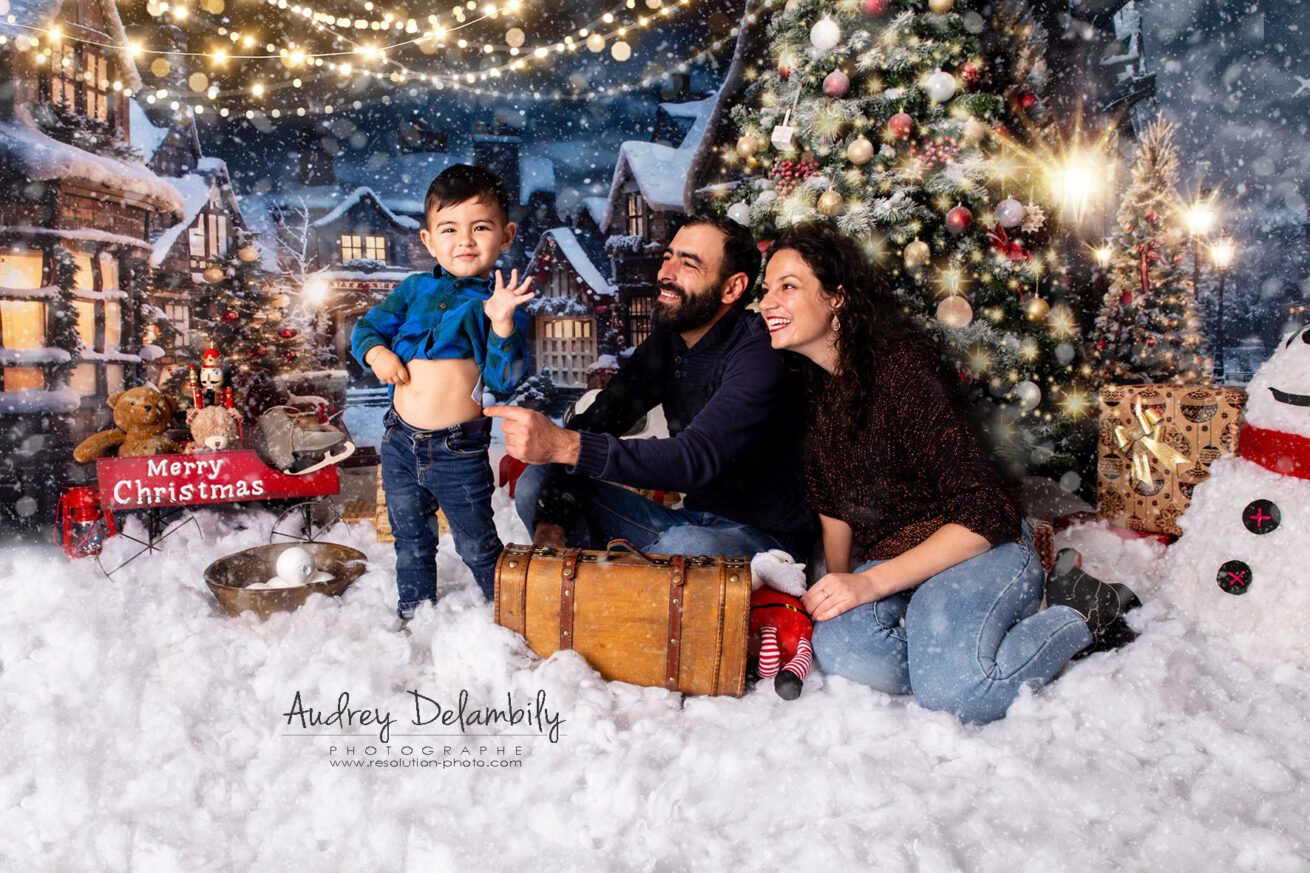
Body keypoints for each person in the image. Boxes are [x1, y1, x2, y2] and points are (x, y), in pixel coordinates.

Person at [757, 222, 1139, 724]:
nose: (767, 302)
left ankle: (1081, 609)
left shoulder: (903, 368)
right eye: (766, 289)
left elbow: (983, 514)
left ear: (837, 299)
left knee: (959, 693)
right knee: (846, 653)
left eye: (788, 285)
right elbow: (834, 509)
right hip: (897, 568)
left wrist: (870, 589)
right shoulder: (821, 394)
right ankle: (947, 637)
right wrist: (845, 587)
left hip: (975, 546)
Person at [488, 213, 815, 562]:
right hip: (690, 521)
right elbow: (601, 418)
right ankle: (586, 585)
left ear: (732, 288)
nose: (665, 274)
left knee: (688, 548)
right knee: (539, 484)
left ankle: (622, 585)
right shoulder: (669, 341)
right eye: (667, 258)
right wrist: (553, 522)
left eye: (688, 265)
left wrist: (567, 445)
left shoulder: (759, 351)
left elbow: (695, 457)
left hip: (762, 537)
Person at [351, 164, 534, 617]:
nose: (465, 240)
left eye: (481, 227)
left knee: (476, 543)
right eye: (449, 228)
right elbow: (367, 327)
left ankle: (511, 612)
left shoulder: (495, 303)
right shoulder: (414, 289)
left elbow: (504, 380)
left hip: (457, 449)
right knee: (410, 540)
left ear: (506, 236)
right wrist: (378, 354)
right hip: (398, 442)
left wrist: (503, 322)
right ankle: (415, 611)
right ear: (429, 240)